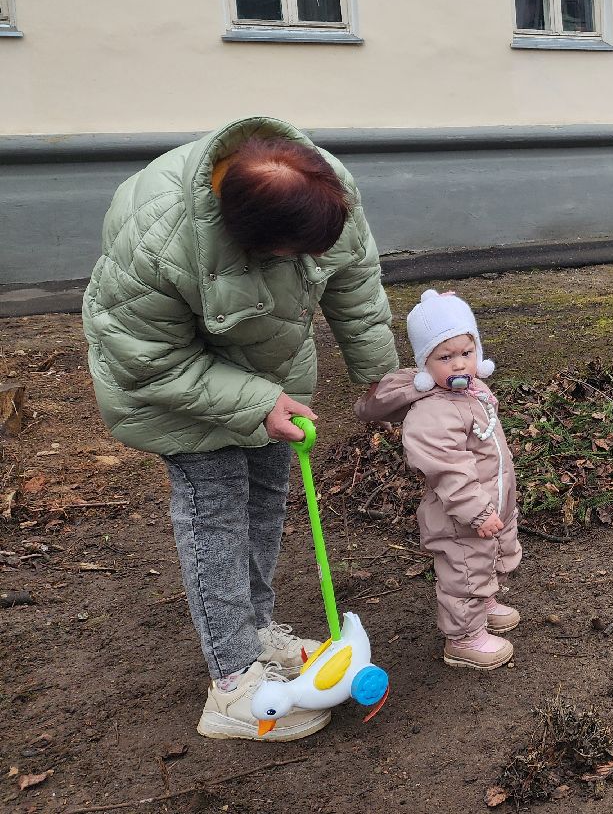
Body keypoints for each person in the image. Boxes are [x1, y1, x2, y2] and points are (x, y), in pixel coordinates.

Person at [82, 117, 399, 741]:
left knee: (264, 501)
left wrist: (379, 376)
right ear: (248, 240)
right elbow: (144, 358)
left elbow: (354, 275)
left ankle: (254, 633)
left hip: (267, 368)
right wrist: (255, 401)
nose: (309, 262)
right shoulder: (158, 242)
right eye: (292, 256)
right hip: (172, 386)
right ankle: (232, 688)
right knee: (216, 519)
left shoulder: (323, 189)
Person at [355, 289, 522, 671]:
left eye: (466, 352)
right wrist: (476, 510)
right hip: (459, 513)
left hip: (490, 501)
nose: (459, 364)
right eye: (445, 358)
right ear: (424, 364)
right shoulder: (433, 411)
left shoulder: (474, 393)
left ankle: (483, 606)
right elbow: (447, 466)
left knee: (488, 559)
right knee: (464, 571)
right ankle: (463, 639)